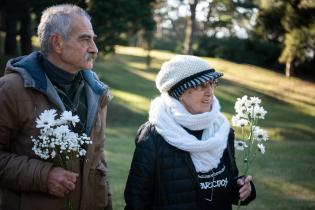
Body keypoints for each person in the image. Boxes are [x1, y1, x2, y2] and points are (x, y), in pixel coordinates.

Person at [0, 4, 112, 210]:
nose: (94, 48)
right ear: (58, 43)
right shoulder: (10, 90)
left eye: (93, 39)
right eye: (85, 39)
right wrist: (44, 176)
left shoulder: (97, 92)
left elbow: (97, 162)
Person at [124, 55, 256, 210]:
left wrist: (243, 188)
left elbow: (227, 185)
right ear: (180, 93)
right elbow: (137, 200)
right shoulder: (153, 136)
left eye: (211, 84)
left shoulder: (222, 131)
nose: (209, 92)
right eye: (201, 86)